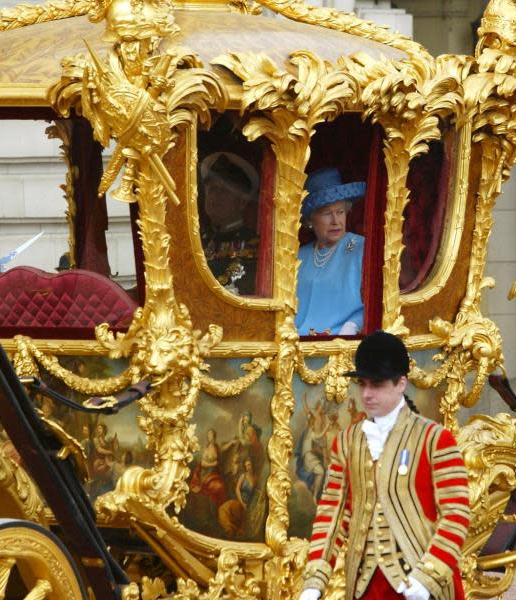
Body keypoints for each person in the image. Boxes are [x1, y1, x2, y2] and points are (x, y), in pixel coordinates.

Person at [299, 331, 471, 600]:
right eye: (362, 384)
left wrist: (428, 578)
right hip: (363, 587)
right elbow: (332, 514)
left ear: (401, 383)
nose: (366, 394)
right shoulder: (345, 442)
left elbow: (456, 515)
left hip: (420, 586)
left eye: (376, 384)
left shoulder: (435, 439)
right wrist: (315, 579)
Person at [296, 168, 366, 337]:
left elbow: (378, 301)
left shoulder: (359, 248)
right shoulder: (300, 256)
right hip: (295, 342)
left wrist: (352, 326)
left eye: (340, 212)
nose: (336, 221)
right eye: (327, 213)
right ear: (311, 219)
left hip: (340, 343)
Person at [199, 151, 260, 295]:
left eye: (224, 190)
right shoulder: (197, 240)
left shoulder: (253, 244)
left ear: (243, 202)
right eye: (212, 189)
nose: (216, 196)